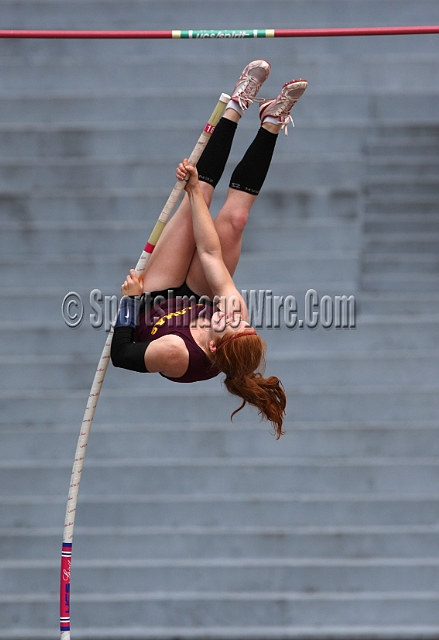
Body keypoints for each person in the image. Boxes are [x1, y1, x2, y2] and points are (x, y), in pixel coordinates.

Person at [111, 60, 307, 438]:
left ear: (214, 348)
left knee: (197, 197)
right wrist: (192, 189)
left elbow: (121, 355)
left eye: (228, 322)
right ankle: (269, 119)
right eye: (240, 319)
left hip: (155, 303)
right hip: (194, 295)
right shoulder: (234, 320)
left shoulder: (175, 353)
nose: (230, 312)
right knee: (232, 220)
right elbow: (211, 254)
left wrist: (131, 302)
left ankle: (234, 105)